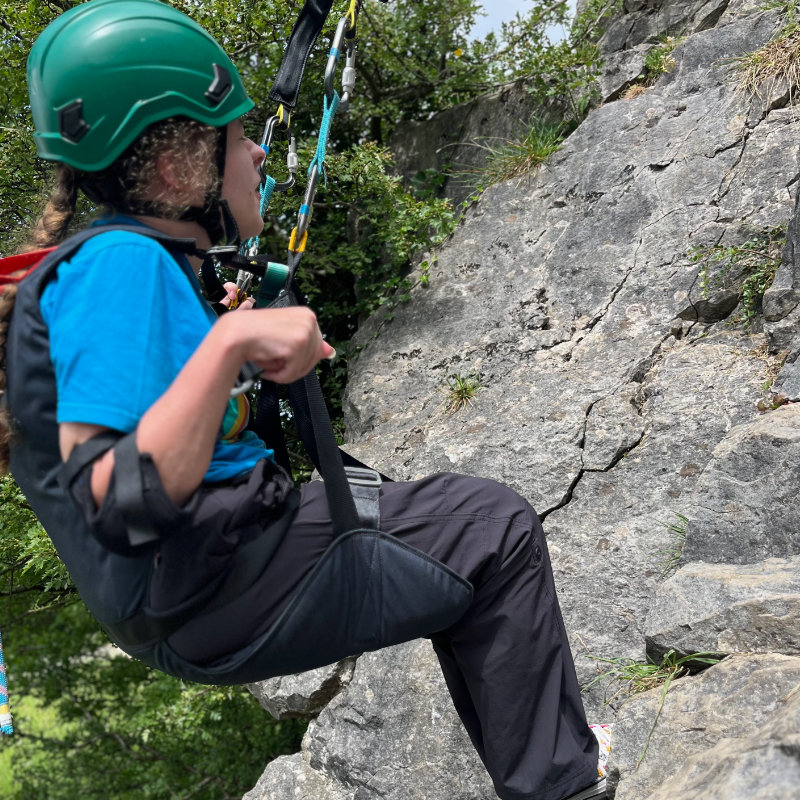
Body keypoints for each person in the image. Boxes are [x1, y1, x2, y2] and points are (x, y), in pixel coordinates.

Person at [0, 1, 610, 798]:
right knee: (492, 529)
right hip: (215, 584)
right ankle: (562, 782)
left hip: (196, 591)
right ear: (180, 164)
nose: (259, 155)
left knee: (438, 527)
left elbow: (165, 423)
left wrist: (227, 355)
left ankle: (547, 764)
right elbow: (114, 496)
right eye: (236, 135)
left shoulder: (137, 265)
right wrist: (228, 348)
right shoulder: (121, 265)